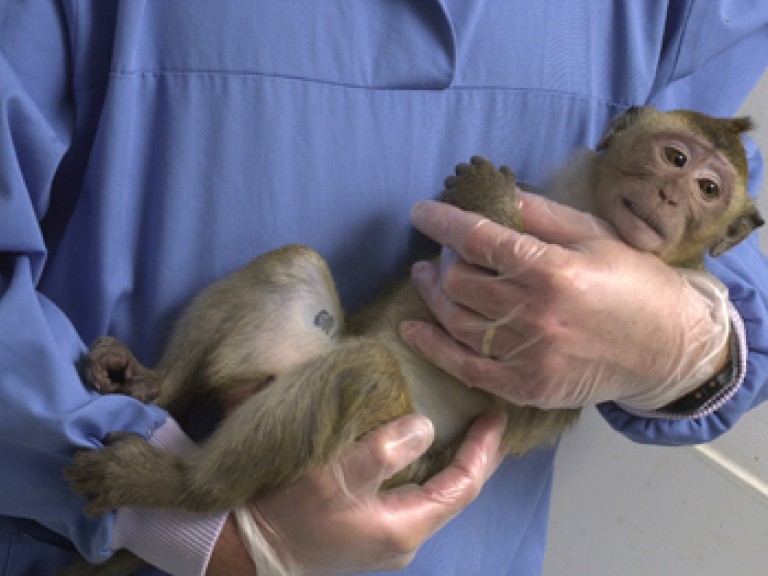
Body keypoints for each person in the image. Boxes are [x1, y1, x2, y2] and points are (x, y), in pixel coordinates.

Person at [1, 2, 766, 575]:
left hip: (435, 516)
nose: (674, 191)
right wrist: (191, 537)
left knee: (362, 375)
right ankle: (165, 408)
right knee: (296, 276)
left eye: (697, 186)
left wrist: (688, 341)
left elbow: (719, 237)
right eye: (670, 164)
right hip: (79, 487)